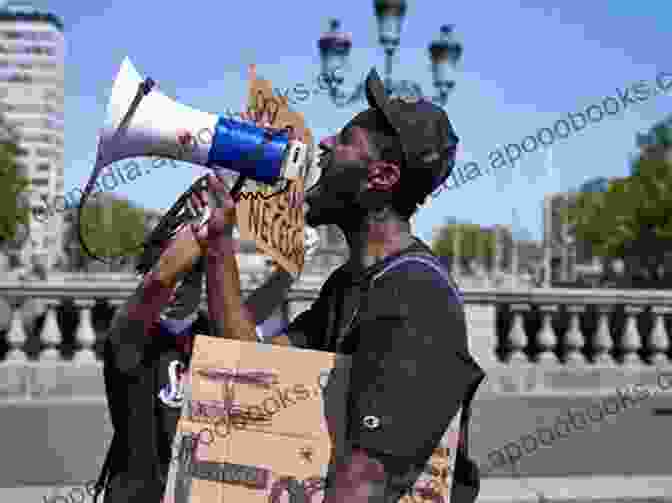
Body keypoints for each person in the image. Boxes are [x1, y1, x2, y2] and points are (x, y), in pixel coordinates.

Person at [189, 69, 486, 503]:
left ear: (381, 177)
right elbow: (250, 366)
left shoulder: (415, 298)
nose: (323, 143)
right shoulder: (349, 285)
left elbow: (363, 486)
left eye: (344, 139)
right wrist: (219, 246)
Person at [94, 175, 321, 503]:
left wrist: (290, 268)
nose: (183, 285)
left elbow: (250, 314)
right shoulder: (133, 336)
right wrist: (195, 238)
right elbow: (158, 282)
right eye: (181, 271)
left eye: (195, 274)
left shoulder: (208, 330)